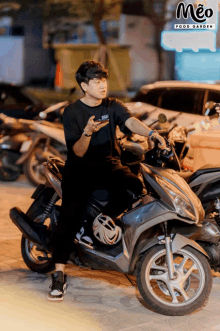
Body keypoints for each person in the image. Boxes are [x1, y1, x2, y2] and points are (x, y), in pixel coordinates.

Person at [48, 60, 166, 301]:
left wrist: (153, 133)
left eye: (104, 81)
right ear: (84, 85)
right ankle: (58, 275)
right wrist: (88, 132)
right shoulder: (72, 112)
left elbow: (130, 122)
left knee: (135, 186)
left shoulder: (113, 106)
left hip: (108, 164)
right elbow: (78, 152)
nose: (102, 86)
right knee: (68, 217)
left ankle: (103, 219)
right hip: (79, 169)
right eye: (96, 81)